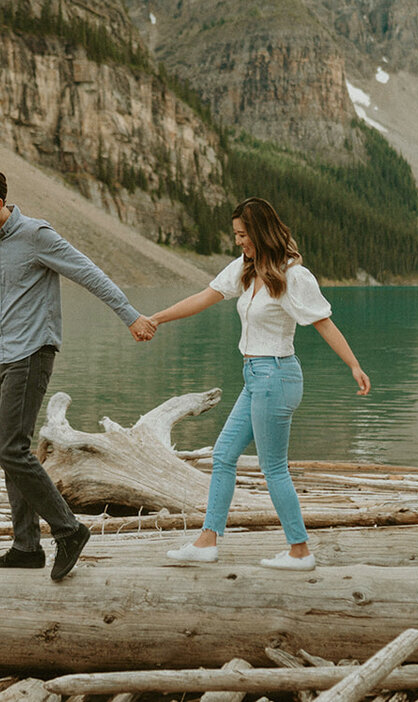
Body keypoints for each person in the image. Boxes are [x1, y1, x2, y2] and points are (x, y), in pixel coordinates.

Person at [0, 170, 156, 580]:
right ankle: (26, 547)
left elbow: (89, 273)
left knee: (12, 450)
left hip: (32, 352)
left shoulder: (37, 235)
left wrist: (130, 316)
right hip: (3, 355)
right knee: (12, 453)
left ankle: (69, 530)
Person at [143, 197, 370, 571]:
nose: (238, 242)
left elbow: (323, 322)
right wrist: (156, 318)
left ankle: (300, 551)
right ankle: (206, 541)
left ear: (261, 232)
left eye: (243, 234)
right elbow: (204, 298)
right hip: (255, 378)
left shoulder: (293, 276)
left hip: (276, 376)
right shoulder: (244, 270)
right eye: (235, 235)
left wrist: (354, 365)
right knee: (223, 455)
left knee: (273, 467)